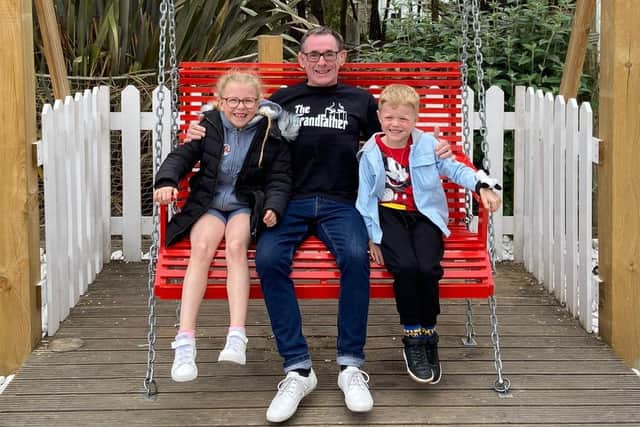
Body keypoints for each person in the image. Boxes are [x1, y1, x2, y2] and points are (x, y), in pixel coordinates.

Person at [185, 27, 452, 423]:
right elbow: (236, 120)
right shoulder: (283, 99)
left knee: (354, 257)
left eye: (329, 54)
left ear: (342, 58)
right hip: (287, 202)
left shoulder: (360, 101)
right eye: (313, 55)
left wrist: (435, 143)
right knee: (271, 259)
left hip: (342, 203)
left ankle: (350, 365)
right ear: (301, 61)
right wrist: (199, 128)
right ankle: (297, 369)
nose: (321, 61)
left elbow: (397, 130)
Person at [355, 84, 502, 384]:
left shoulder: (428, 145)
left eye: (404, 119)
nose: (396, 124)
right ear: (380, 117)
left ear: (415, 119)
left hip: (425, 215)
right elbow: (365, 198)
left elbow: (456, 169)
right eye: (390, 118)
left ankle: (429, 333)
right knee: (406, 267)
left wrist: (483, 185)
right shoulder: (370, 152)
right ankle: (412, 336)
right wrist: (372, 236)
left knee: (428, 267)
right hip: (388, 216)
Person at [153, 71, 293, 383]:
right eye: (233, 100)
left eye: (247, 101)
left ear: (259, 102)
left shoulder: (269, 131)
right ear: (220, 101)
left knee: (235, 247)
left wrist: (273, 206)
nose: (240, 107)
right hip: (210, 204)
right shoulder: (209, 125)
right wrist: (167, 181)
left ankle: (236, 334)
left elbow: (280, 177)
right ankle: (185, 340)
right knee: (201, 249)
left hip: (244, 204)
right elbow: (182, 157)